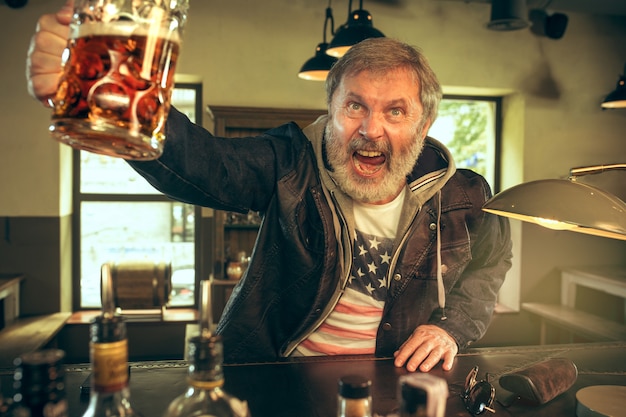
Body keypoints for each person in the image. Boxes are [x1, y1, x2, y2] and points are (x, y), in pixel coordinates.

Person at [26, 1, 512, 373]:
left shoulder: (466, 197)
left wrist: (452, 328)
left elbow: (492, 266)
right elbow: (203, 164)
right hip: (272, 377)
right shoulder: (288, 163)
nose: (370, 130)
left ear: (424, 123)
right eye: (354, 107)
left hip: (389, 382)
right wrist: (107, 98)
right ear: (330, 113)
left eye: (395, 111)